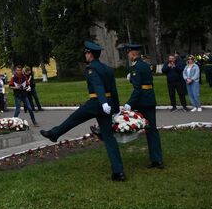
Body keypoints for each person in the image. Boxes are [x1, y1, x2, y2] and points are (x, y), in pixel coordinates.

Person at [40, 41, 125, 181]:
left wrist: (103, 102)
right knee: (109, 138)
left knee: (73, 119)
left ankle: (54, 134)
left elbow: (97, 85)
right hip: (107, 106)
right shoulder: (108, 69)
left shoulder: (91, 68)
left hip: (96, 103)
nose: (85, 55)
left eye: (86, 53)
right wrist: (115, 109)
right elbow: (113, 90)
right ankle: (118, 172)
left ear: (90, 54)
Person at [123, 43, 164, 169]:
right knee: (152, 130)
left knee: (142, 127)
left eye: (129, 53)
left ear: (133, 54)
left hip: (142, 102)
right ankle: (157, 159)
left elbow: (138, 89)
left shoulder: (135, 68)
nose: (128, 56)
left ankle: (154, 160)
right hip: (150, 99)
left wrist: (129, 104)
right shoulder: (146, 65)